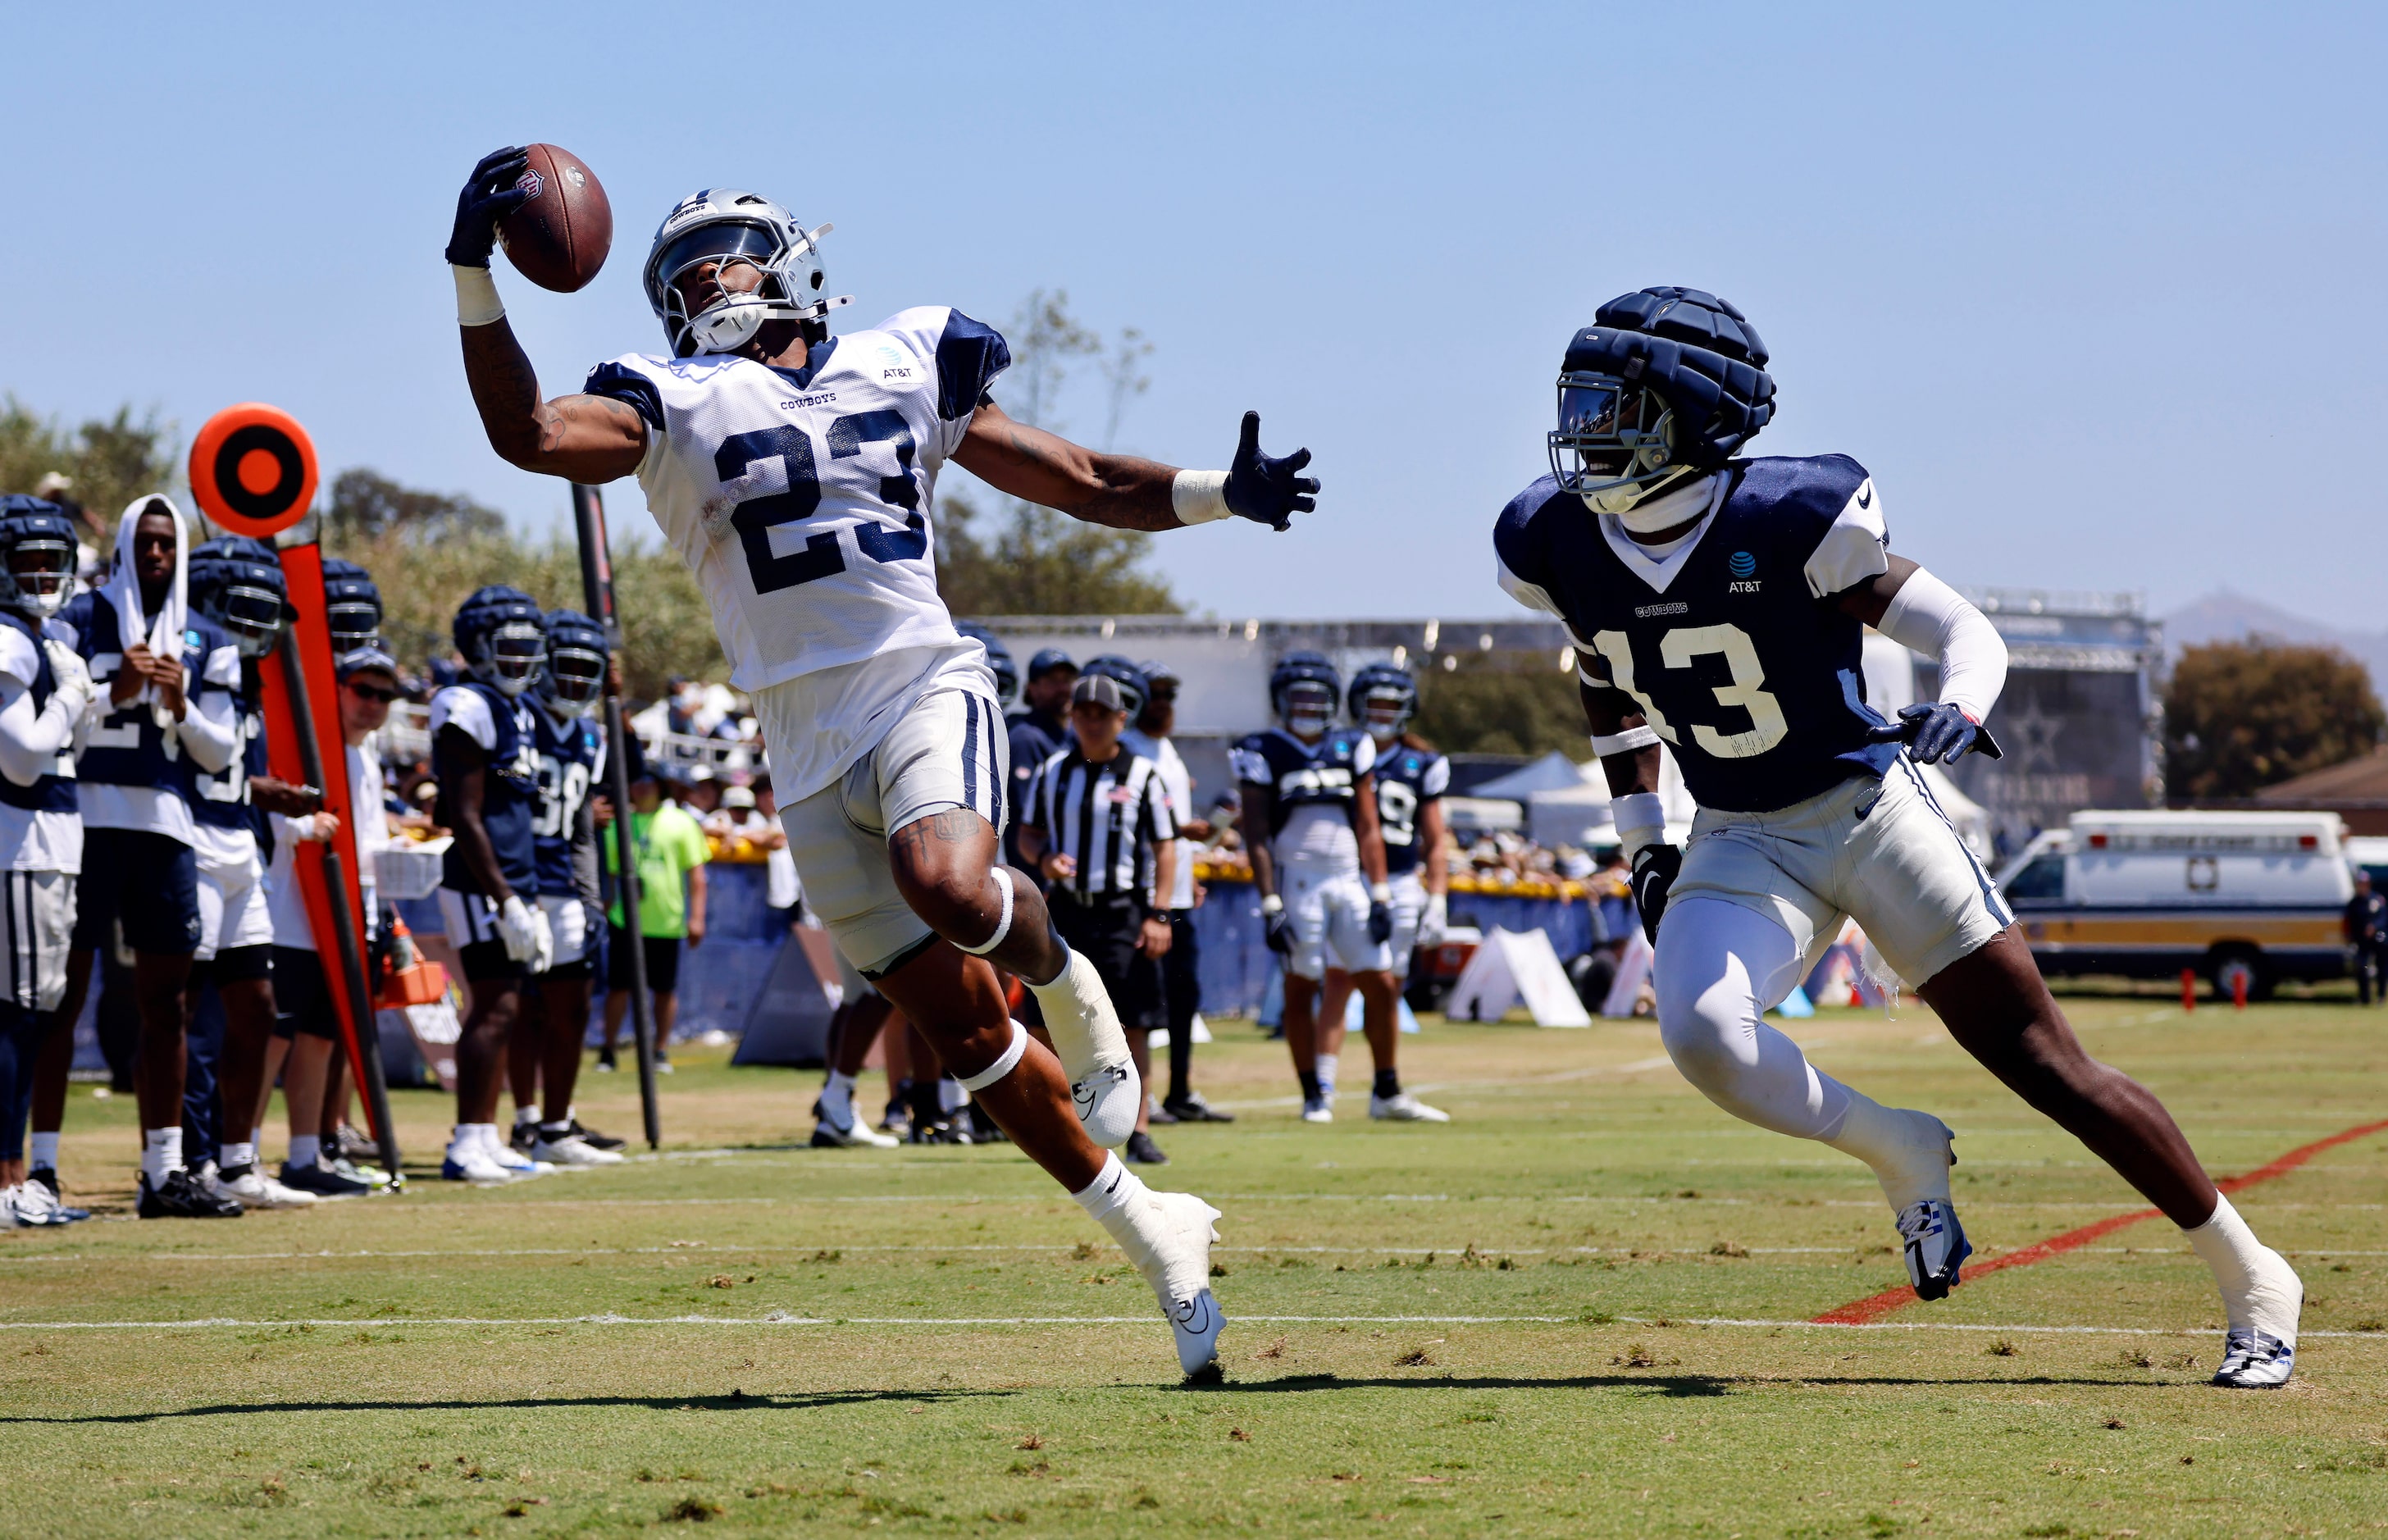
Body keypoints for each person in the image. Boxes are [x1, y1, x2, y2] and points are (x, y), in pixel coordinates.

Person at [446, 154, 1319, 1375]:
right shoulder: (667, 396)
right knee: (962, 1037)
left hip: (920, 680)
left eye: (728, 248)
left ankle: (1067, 972)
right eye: (680, 269)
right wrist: (471, 269)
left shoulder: (907, 355)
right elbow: (526, 432)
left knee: (951, 886)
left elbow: (1074, 479)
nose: (704, 274)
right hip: (798, 739)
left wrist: (1223, 492)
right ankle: (1152, 1228)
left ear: (799, 256)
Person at [1495, 285, 2304, 1388]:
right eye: (1578, 399)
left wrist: (1961, 708)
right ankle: (1896, 1145)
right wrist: (1646, 838)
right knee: (1701, 1036)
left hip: (1871, 812)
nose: (1585, 427)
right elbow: (1605, 680)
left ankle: (2255, 1275)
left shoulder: (1792, 515)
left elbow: (1962, 627)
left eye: (1612, 402)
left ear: (1691, 412)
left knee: (2046, 1065)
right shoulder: (1555, 541)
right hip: (1739, 833)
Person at [56, 496, 245, 1218]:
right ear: (129, 542)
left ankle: (163, 1173)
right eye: (149, 542)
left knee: (167, 1005)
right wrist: (115, 692)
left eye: (169, 544)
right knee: (61, 999)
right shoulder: (80, 618)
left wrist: (180, 705)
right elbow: (55, 727)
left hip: (168, 825)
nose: (159, 555)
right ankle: (38, 1168)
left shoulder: (206, 637)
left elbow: (220, 750)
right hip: (83, 822)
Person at [1234, 653, 1446, 1125]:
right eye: (1299, 696)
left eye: (1317, 696)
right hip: (1296, 879)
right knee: (1302, 982)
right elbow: (1256, 835)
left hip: (1350, 877)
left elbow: (1369, 827)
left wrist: (1380, 893)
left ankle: (1387, 1087)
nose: (1309, 704)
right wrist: (1270, 901)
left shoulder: (1351, 745)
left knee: (1381, 981)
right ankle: (1314, 1093)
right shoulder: (1262, 748)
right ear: (1280, 700)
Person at [182, 537, 325, 1210]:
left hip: (240, 847)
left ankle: (237, 1159)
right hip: (190, 841)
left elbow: (234, 772)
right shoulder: (188, 658)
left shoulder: (248, 678)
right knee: (194, 1013)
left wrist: (270, 796)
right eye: (244, 608)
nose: (257, 626)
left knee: (256, 1008)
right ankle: (186, 1159)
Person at [1019, 672, 1179, 1164]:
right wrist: (1044, 861)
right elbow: (1029, 835)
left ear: (1120, 719)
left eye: (1101, 714)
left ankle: (1140, 1127)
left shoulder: (1144, 776)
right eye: (1083, 713)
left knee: (1133, 1023)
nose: (1091, 722)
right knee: (1048, 1019)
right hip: (1067, 909)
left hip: (1124, 910)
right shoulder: (1053, 772)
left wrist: (1160, 914)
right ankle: (1057, 1125)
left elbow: (1165, 849)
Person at [255, 645, 395, 1201]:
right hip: (292, 910)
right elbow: (263, 805)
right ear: (335, 689)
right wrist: (300, 828)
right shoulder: (304, 742)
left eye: (385, 696)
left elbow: (369, 839)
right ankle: (236, 1153)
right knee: (275, 1034)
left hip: (346, 914)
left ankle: (304, 1153)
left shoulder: (366, 756)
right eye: (364, 691)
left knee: (318, 1034)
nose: (375, 705)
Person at [431, 585, 554, 1182]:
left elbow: (505, 789)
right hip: (483, 882)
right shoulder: (466, 704)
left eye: (527, 650)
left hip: (512, 877)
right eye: (507, 650)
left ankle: (485, 1134)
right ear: (478, 649)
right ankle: (466, 1141)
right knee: (494, 1006)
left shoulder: (519, 710)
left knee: (505, 1008)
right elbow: (462, 812)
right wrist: (505, 897)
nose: (519, 662)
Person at [0, 498, 91, 1227]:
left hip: (48, 842)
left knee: (33, 1014)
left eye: (49, 560)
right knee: (17, 1017)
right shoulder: (10, 638)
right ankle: (7, 1176)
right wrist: (70, 694)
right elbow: (25, 758)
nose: (39, 574)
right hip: (19, 842)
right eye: (24, 560)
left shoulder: (41, 636)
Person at [507, 609, 622, 1166]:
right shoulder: (519, 716)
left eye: (587, 671)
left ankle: (556, 1124)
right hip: (519, 883)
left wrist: (590, 895)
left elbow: (580, 827)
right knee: (519, 1008)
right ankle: (526, 1117)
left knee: (569, 1007)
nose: (576, 681)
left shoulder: (589, 734)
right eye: (567, 668)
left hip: (563, 886)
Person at [1314, 665, 1452, 1074]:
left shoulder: (1421, 761)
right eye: (1374, 702)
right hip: (1349, 878)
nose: (1381, 711)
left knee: (1389, 986)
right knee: (1338, 982)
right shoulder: (1337, 752)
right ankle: (1322, 1087)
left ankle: (1384, 1084)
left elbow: (1436, 839)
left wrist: (1439, 897)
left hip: (1401, 880)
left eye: (1390, 703)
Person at [1123, 659, 1229, 1124]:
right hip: (1147, 894)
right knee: (1144, 1002)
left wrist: (1190, 873)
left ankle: (1181, 1090)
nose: (1165, 703)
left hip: (1179, 893)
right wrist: (1185, 831)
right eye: (1157, 694)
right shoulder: (1129, 749)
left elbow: (1173, 832)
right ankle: (1139, 1101)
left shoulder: (1166, 750)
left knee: (1185, 996)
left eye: (1170, 694)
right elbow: (1145, 827)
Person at [598, 763, 709, 1075]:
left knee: (664, 989)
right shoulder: (617, 822)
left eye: (649, 782)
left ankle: (660, 1050)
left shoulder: (682, 822)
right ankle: (608, 1051)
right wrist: (604, 912)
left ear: (661, 786)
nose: (642, 787)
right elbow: (608, 873)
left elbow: (697, 876)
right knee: (619, 988)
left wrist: (697, 917)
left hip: (667, 921)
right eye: (636, 781)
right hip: (624, 920)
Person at [1005, 649, 1078, 885]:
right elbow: (1023, 819)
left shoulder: (1071, 737)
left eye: (1067, 680)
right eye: (1052, 681)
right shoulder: (1025, 738)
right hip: (1037, 878)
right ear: (1031, 688)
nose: (1063, 688)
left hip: (1066, 875)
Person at [2345, 871, 2386, 1006]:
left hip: (2378, 939)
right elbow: (2350, 922)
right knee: (2362, 967)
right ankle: (2365, 998)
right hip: (2362, 941)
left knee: (2381, 967)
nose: (2362, 886)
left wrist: (2374, 927)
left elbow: (2384, 918)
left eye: (2364, 884)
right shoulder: (2354, 903)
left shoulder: (2377, 900)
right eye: (2359, 884)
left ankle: (2381, 996)